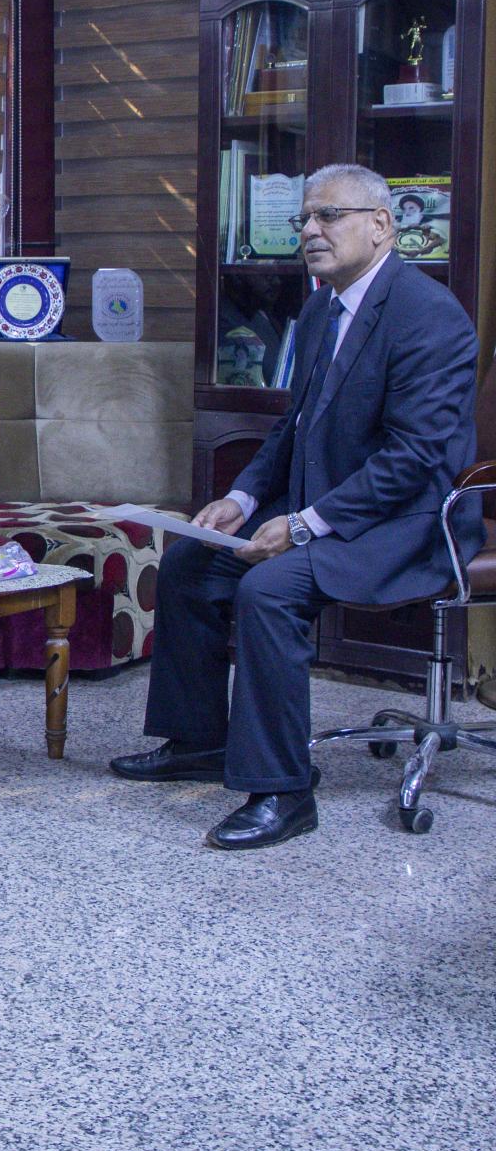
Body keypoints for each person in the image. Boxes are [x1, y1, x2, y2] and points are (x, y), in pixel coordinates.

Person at [111, 164, 480, 849]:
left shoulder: (430, 317)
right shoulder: (319, 310)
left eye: (328, 216)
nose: (310, 230)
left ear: (381, 224)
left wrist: (305, 524)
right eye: (304, 218)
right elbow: (293, 426)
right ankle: (199, 741)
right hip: (325, 506)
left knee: (269, 589)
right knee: (191, 562)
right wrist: (242, 496)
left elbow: (413, 459)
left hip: (407, 523)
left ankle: (283, 792)